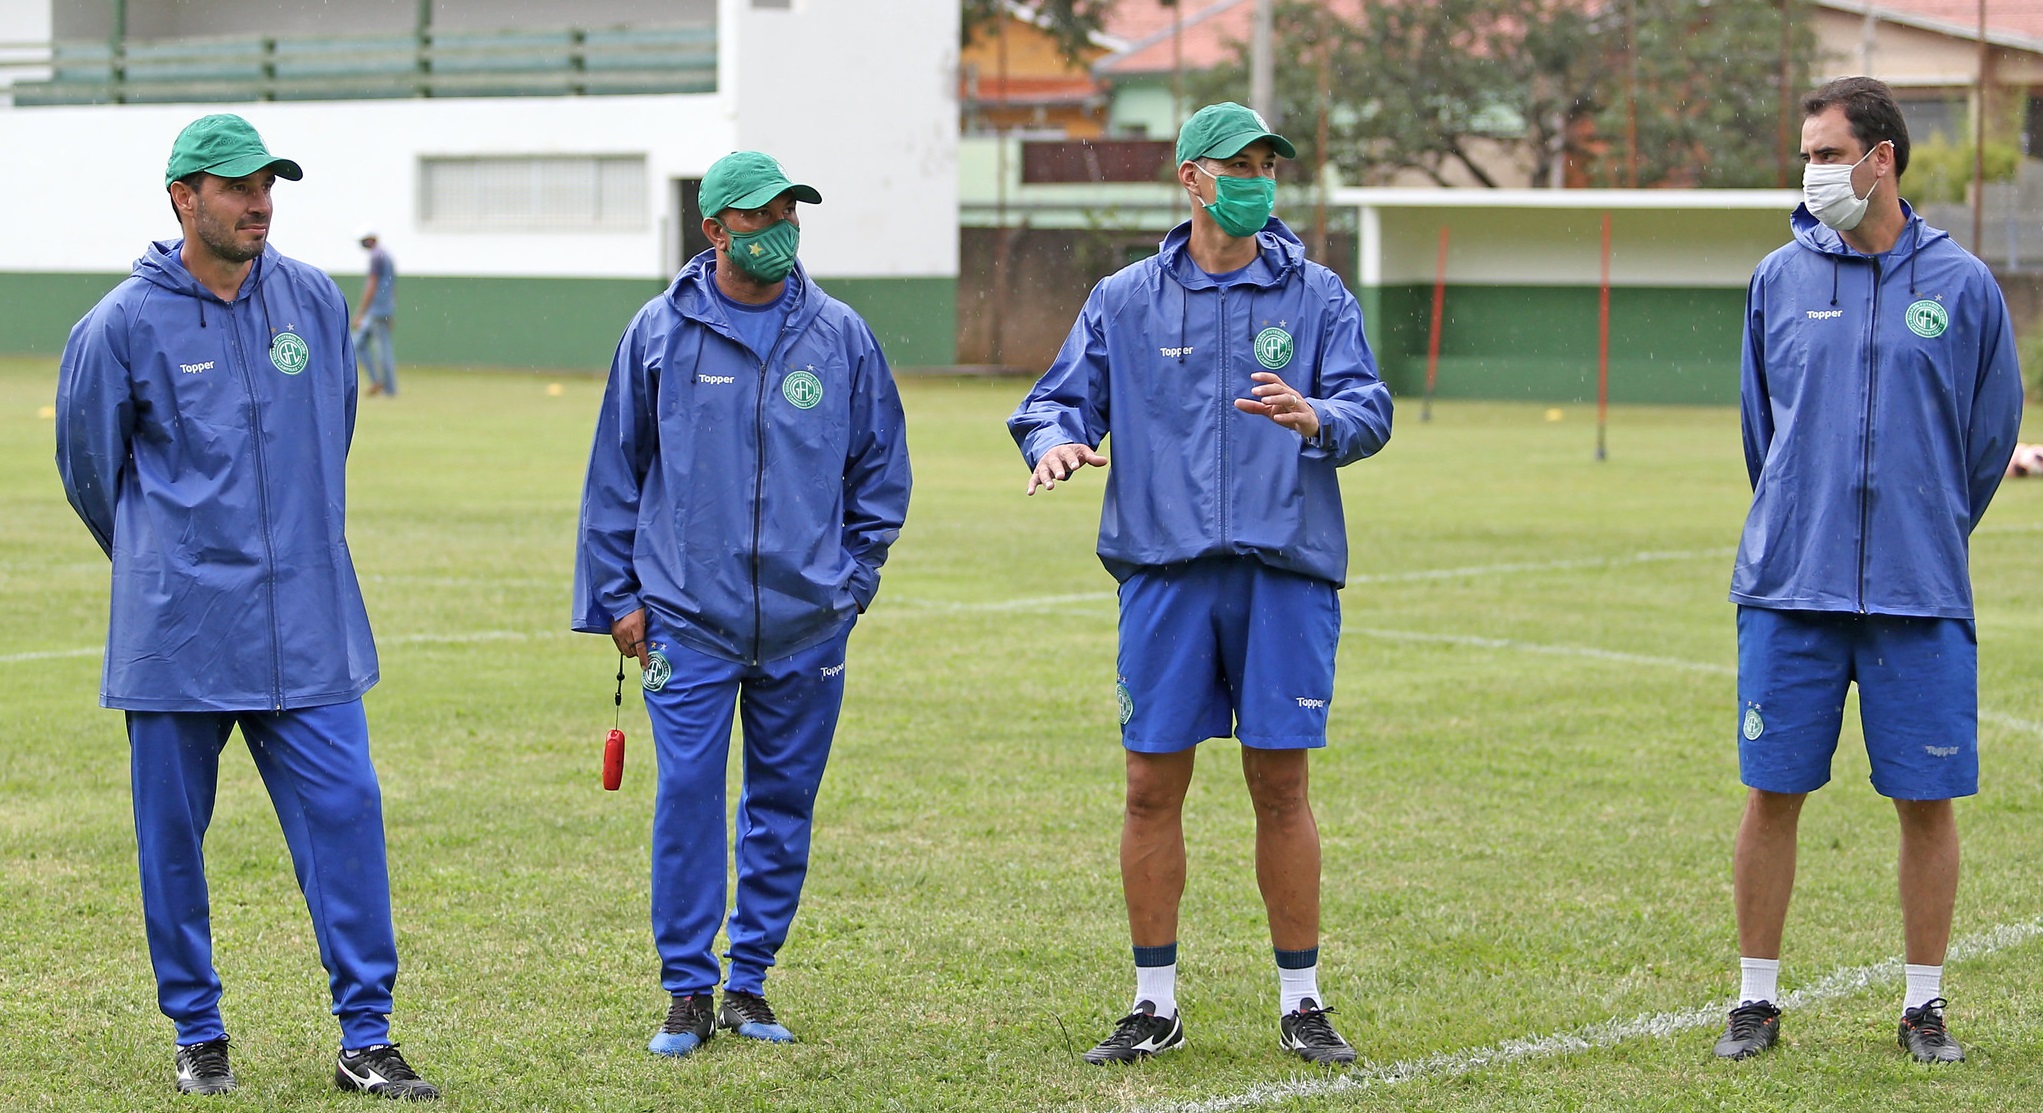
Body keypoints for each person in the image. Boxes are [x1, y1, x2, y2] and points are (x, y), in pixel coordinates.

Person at [54, 114, 438, 1099]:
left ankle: (367, 1038)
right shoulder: (119, 326)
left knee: (348, 816)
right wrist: (165, 561)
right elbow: (91, 472)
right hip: (178, 631)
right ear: (184, 198)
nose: (258, 202)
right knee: (170, 840)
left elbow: (330, 434)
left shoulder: (311, 300)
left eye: (267, 184)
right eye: (234, 187)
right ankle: (198, 1032)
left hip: (306, 624)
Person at [1009, 102, 1393, 1065]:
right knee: (1148, 788)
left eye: (1270, 163)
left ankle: (1301, 1001)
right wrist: (1057, 442)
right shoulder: (1125, 297)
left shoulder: (1317, 295)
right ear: (1191, 177)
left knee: (1280, 783)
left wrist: (1319, 418)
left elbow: (1368, 404)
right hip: (1165, 575)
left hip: (1284, 571)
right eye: (1240, 163)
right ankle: (1153, 1003)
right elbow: (1054, 398)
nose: (1259, 178)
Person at [572, 150, 911, 1058]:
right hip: (686, 616)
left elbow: (880, 469)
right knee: (687, 796)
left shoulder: (840, 333)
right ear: (715, 229)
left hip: (809, 622)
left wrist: (852, 580)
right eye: (759, 220)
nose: (780, 233)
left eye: (789, 216)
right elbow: (616, 472)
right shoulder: (658, 332)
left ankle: (749, 982)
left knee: (783, 800)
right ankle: (687, 987)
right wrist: (616, 595)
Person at [1714, 77, 2022, 1066]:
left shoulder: (1965, 286)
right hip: (1788, 587)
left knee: (1925, 804)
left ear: (1880, 157)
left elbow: (1987, 441)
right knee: (1772, 793)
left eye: (1825, 152)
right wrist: (1803, 513)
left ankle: (1923, 1007)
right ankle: (1756, 1001)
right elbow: (1765, 435)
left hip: (1917, 593)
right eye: (1805, 154)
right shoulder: (1778, 279)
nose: (1812, 173)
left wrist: (1925, 527)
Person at [352, 229, 397, 396]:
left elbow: (372, 284)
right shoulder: (386, 256)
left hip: (376, 310)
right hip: (383, 309)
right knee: (359, 344)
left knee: (382, 349)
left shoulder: (376, 256)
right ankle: (378, 382)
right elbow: (392, 286)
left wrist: (360, 312)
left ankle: (389, 388)